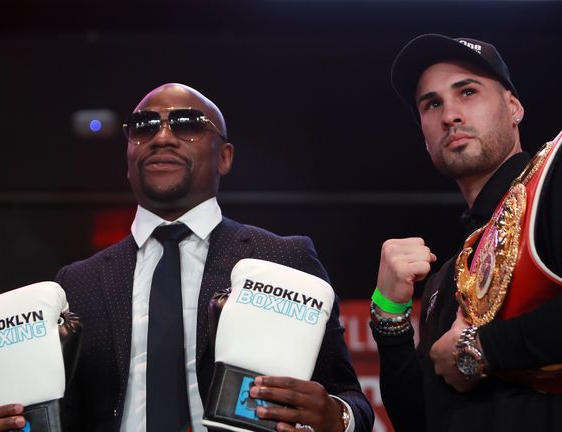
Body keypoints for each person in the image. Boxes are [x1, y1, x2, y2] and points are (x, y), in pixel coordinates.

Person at [54, 83, 374, 432]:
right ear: (128, 159)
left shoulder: (283, 258)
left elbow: (349, 398)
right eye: (145, 127)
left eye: (187, 124)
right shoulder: (78, 282)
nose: (162, 137)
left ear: (224, 156)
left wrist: (334, 417)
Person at [371, 34, 562, 431]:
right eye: (432, 103)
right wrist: (389, 316)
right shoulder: (447, 277)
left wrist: (480, 348)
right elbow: (420, 419)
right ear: (425, 137)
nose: (450, 115)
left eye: (468, 92)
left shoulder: (552, 183)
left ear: (514, 107)